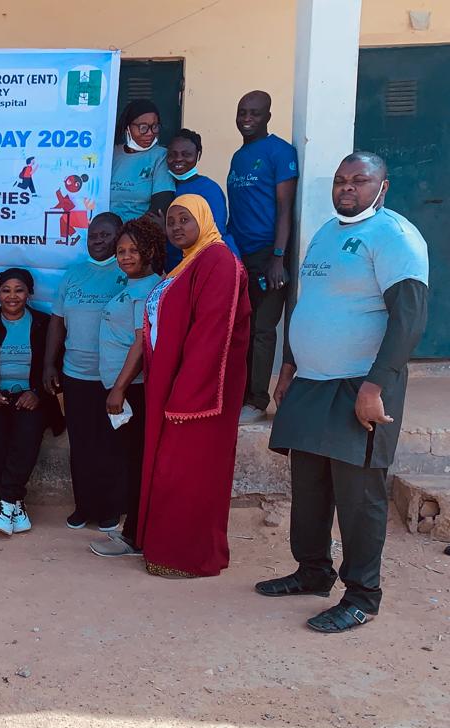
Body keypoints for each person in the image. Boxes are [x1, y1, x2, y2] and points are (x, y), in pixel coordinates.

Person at [258, 152, 429, 633]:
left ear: (383, 187)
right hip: (312, 382)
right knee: (309, 487)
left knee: (359, 497)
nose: (347, 187)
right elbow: (308, 303)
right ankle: (312, 571)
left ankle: (362, 596)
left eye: (359, 180)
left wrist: (376, 386)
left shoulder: (395, 237)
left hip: (361, 385)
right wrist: (289, 366)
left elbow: (409, 319)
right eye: (340, 180)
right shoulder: (325, 233)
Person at [138, 195, 251, 578]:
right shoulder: (189, 262)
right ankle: (165, 549)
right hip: (174, 386)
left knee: (187, 471)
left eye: (185, 219)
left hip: (199, 396)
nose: (176, 227)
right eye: (171, 221)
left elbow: (211, 335)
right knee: (173, 470)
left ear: (204, 219)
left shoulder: (218, 260)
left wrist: (187, 396)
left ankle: (187, 557)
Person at [43, 212, 127, 533]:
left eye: (105, 235)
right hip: (75, 375)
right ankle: (84, 506)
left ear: (119, 236)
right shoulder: (73, 275)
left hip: (113, 378)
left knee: (111, 444)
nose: (97, 240)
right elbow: (56, 322)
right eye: (93, 235)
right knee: (81, 444)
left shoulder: (127, 274)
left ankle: (110, 509)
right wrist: (49, 363)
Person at [90, 217, 167, 557]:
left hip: (132, 389)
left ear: (150, 250)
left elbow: (141, 343)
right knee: (128, 460)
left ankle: (135, 536)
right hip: (123, 386)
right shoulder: (133, 285)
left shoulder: (147, 289)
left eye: (134, 250)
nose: (125, 257)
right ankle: (133, 531)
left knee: (134, 463)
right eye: (121, 251)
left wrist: (119, 388)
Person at [0, 268, 61, 536]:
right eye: (5, 290)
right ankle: (13, 502)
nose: (12, 296)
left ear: (29, 293)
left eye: (19, 290)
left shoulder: (45, 325)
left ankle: (5, 501)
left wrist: (38, 393)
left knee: (28, 433)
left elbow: (58, 367)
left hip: (31, 397)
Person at [225, 91, 298, 424]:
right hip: (241, 256)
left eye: (254, 113)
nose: (246, 118)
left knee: (263, 329)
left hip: (269, 254)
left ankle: (257, 401)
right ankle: (240, 395)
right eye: (242, 112)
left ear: (268, 116)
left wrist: (278, 257)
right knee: (242, 327)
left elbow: (285, 208)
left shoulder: (280, 152)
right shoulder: (239, 156)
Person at [164, 129, 239, 269]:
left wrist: (164, 229)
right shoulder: (164, 187)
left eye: (186, 154)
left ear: (198, 155)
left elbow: (214, 230)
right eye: (172, 155)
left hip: (208, 262)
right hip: (176, 264)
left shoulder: (209, 189)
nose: (178, 159)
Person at [110, 100, 174, 222]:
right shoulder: (112, 153)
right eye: (143, 127)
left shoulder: (161, 156)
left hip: (139, 229)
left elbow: (160, 207)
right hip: (105, 228)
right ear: (127, 127)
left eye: (154, 127)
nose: (150, 133)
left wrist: (130, 231)